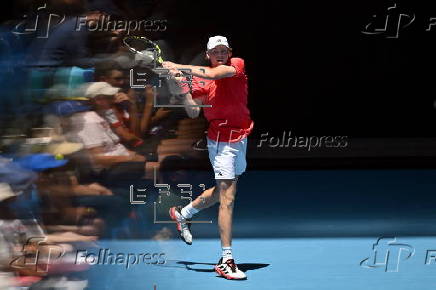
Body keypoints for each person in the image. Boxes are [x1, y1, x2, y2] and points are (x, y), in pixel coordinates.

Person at [163, 36, 253, 280]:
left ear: (230, 52)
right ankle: (226, 260)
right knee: (228, 199)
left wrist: (178, 67)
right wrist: (181, 88)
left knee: (222, 191)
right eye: (216, 51)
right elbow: (193, 111)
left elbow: (216, 75)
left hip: (241, 137)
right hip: (221, 142)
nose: (221, 54)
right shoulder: (203, 80)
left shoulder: (237, 65)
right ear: (208, 55)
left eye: (224, 50)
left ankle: (183, 214)